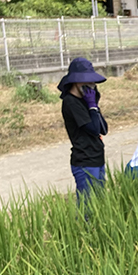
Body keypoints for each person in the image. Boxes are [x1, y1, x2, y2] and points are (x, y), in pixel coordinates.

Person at [58, 57, 109, 203]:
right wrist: (92, 107)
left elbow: (103, 129)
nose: (91, 86)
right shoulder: (71, 102)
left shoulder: (87, 102)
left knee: (100, 202)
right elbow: (93, 129)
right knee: (88, 204)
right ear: (76, 81)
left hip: (97, 157)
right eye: (87, 82)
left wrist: (95, 106)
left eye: (92, 82)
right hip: (85, 161)